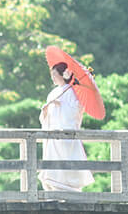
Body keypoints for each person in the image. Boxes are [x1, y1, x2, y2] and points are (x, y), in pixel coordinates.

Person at [38, 61, 94, 192]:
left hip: (66, 134)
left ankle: (69, 189)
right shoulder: (53, 93)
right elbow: (46, 118)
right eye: (51, 75)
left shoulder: (73, 92)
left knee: (67, 163)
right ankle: (54, 189)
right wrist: (45, 112)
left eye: (55, 75)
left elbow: (76, 111)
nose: (53, 78)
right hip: (53, 134)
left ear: (63, 75)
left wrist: (61, 105)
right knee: (53, 165)